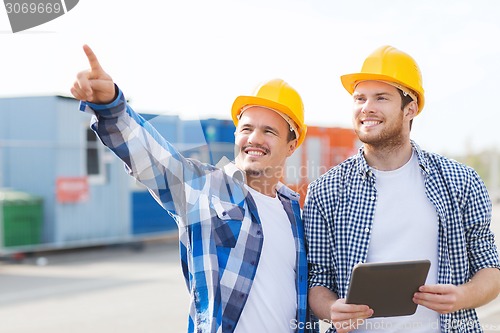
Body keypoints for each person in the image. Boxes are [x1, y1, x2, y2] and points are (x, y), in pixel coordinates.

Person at [71, 45, 318, 333]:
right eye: (247, 128)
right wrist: (112, 106)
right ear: (236, 134)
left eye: (269, 131)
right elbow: (153, 159)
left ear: (291, 145)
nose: (254, 138)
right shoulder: (205, 190)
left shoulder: (294, 210)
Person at [304, 45, 500, 333]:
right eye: (360, 98)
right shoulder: (325, 190)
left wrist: (463, 297)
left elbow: (490, 269)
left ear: (411, 108)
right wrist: (331, 309)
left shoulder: (461, 181)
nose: (366, 107)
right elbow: (317, 280)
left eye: (380, 98)